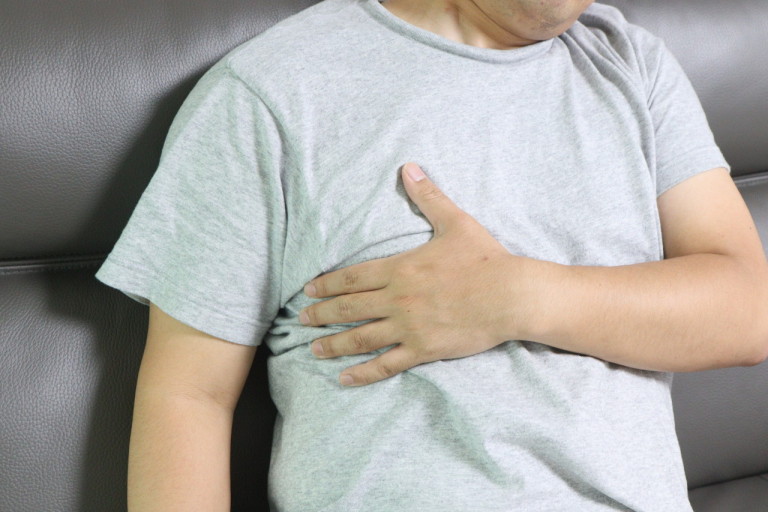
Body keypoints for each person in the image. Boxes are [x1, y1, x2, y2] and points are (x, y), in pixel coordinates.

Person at [96, 0, 768, 510]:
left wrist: (515, 298)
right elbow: (188, 395)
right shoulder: (272, 90)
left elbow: (747, 311)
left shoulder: (631, 65)